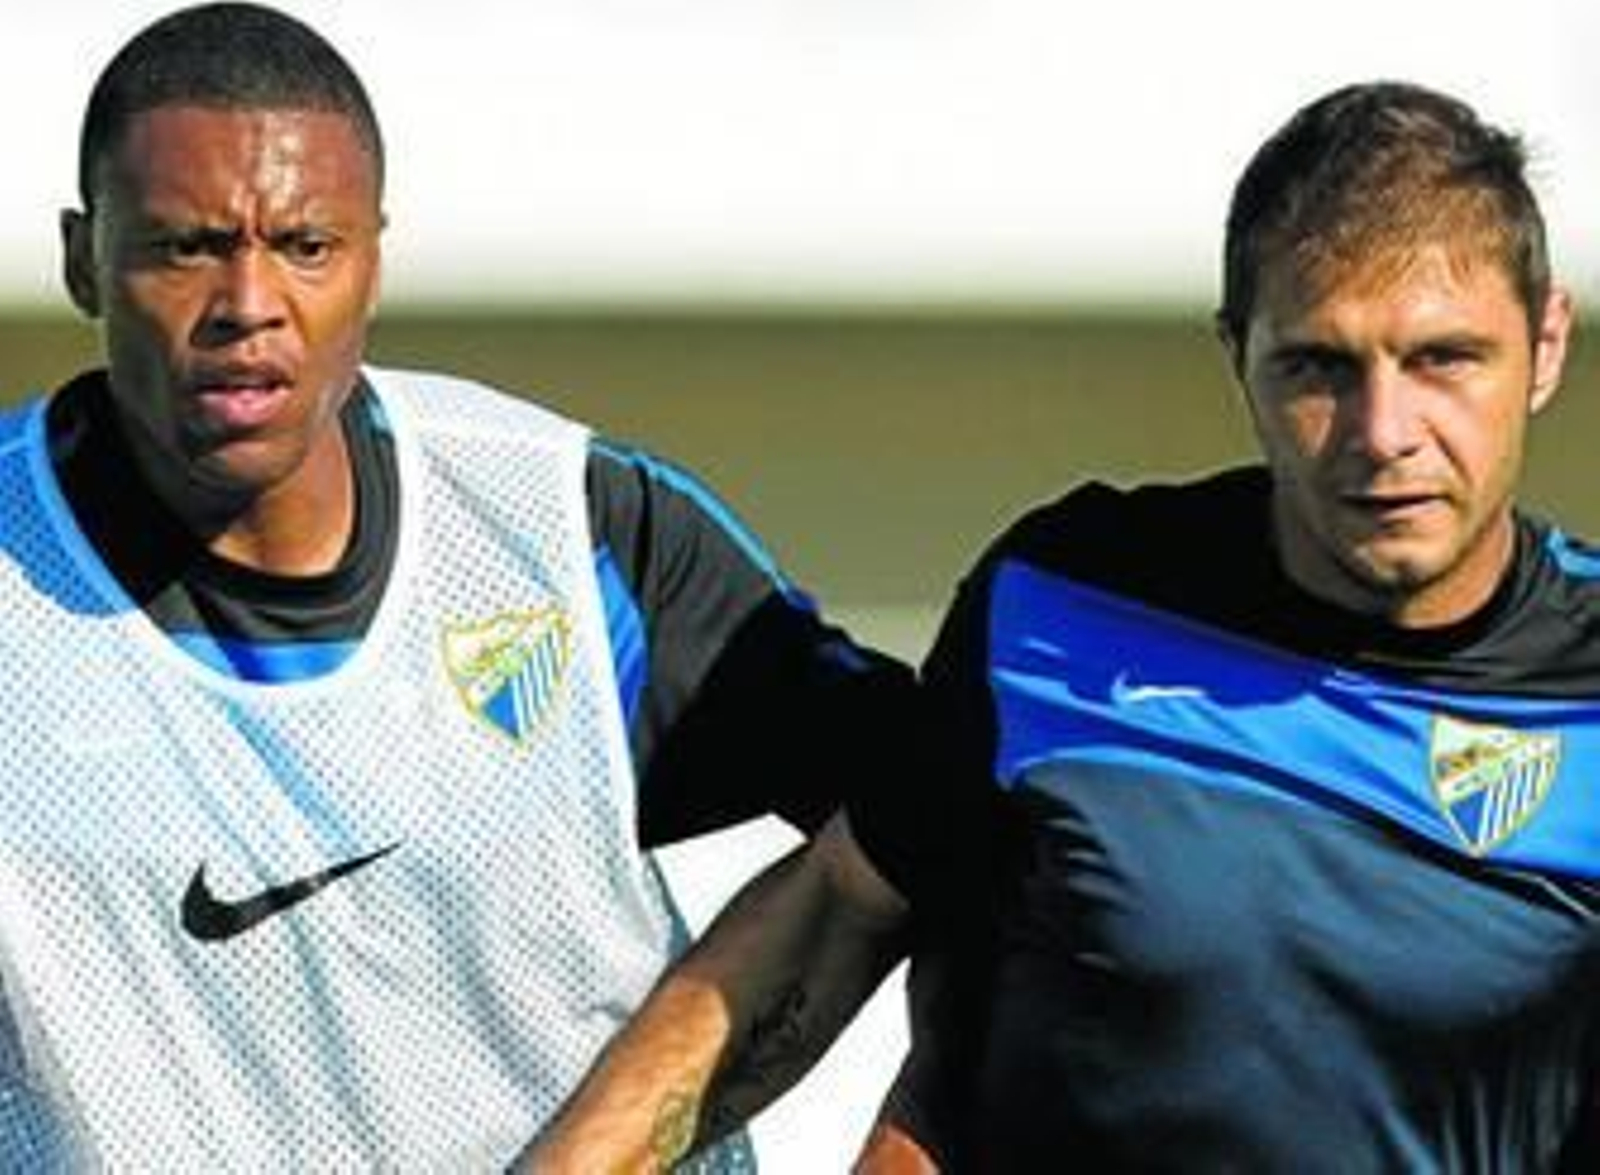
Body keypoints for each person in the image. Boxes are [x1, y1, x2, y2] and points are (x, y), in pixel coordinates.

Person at [528, 79, 1600, 1172]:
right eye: (1317, 366)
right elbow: (833, 914)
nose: (1383, 432)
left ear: (1545, 344)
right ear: (1238, 354)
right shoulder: (1066, 601)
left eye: (1444, 359)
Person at [0, 2, 915, 1168]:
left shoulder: (574, 532)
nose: (248, 303)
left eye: (306, 245)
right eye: (185, 247)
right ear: (82, 257)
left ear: (375, 255)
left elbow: (941, 829)